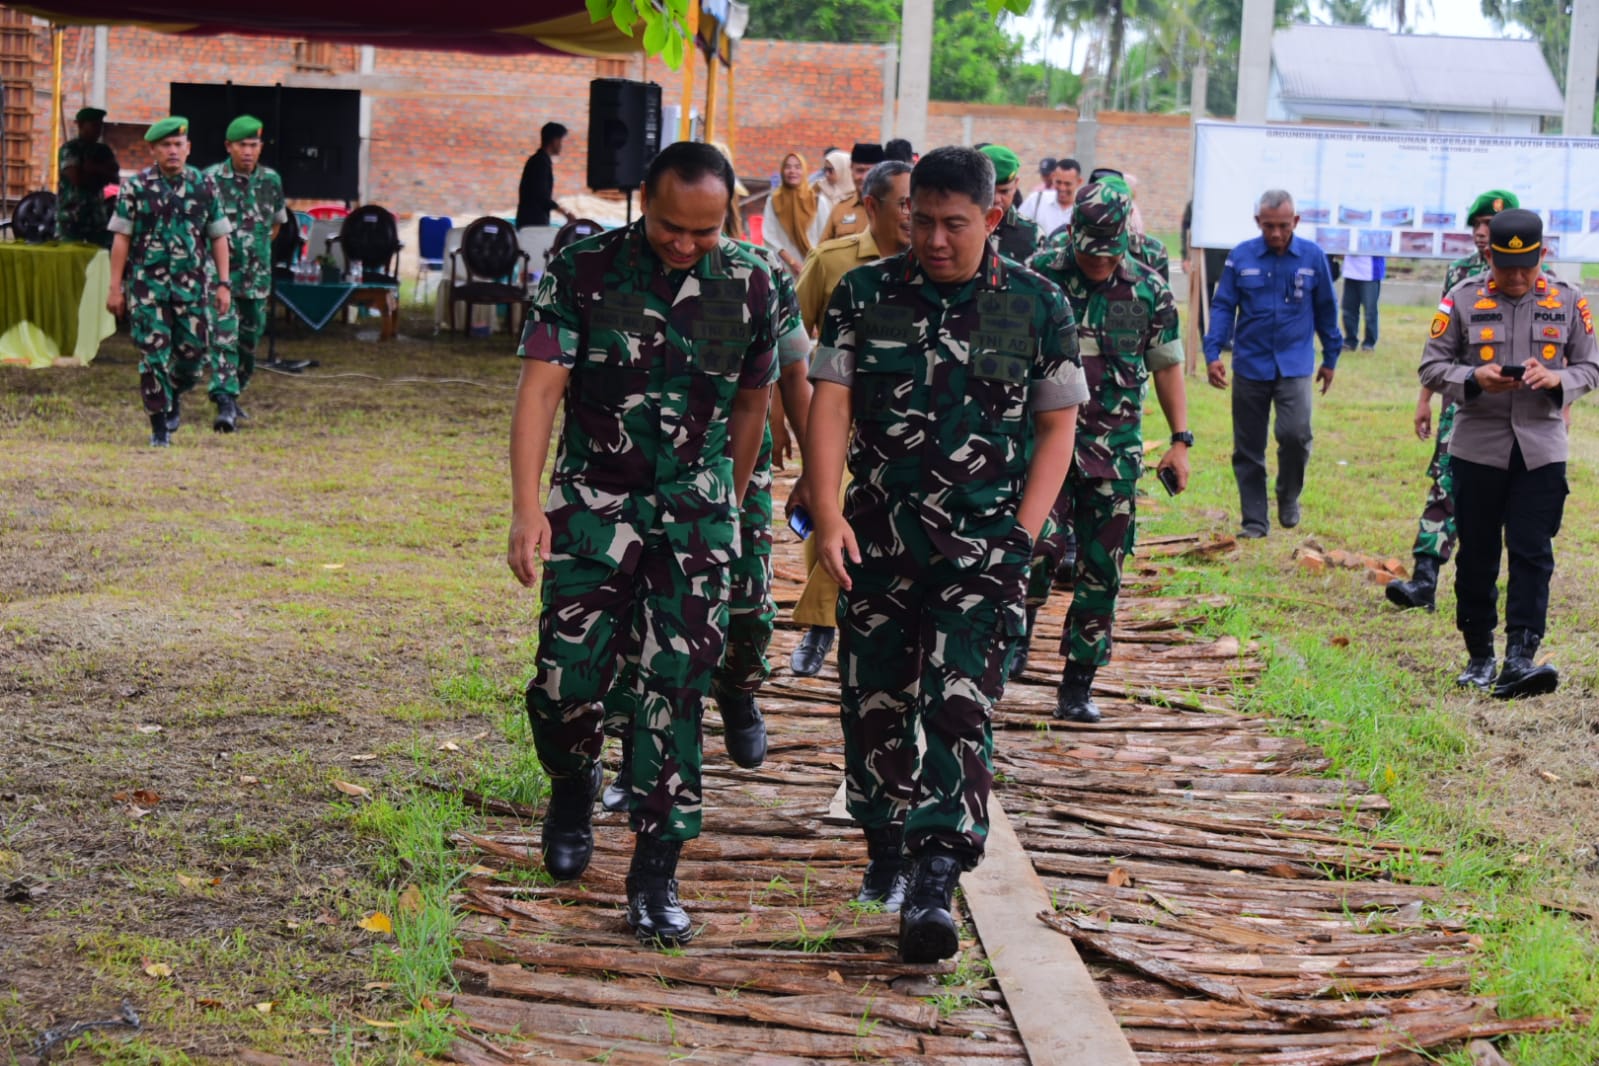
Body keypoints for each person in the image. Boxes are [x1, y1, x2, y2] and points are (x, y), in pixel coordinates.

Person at [806, 146, 1085, 960]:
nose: (932, 239)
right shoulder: (864, 293)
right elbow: (831, 403)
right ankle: (884, 844)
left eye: (953, 224)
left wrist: (1023, 534)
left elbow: (1056, 426)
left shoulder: (1037, 303)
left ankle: (935, 875)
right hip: (876, 538)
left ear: (991, 217)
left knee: (960, 708)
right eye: (919, 220)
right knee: (875, 705)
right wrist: (827, 513)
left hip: (982, 543)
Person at [597, 186, 816, 814]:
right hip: (643, 477)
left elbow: (795, 372)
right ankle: (636, 752)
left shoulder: (760, 273)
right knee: (643, 619)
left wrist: (812, 469)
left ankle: (739, 687)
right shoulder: (617, 272)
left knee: (747, 607)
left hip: (732, 470)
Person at [1020, 182, 1190, 716]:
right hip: (1041, 446)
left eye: (1109, 251)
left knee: (1102, 569)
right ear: (1072, 232)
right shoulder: (1038, 276)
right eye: (1090, 250)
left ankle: (1077, 684)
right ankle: (1016, 633)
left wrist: (1180, 440)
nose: (1099, 261)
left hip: (1112, 452)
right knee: (1033, 548)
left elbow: (1166, 367)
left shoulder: (1148, 290)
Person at [1418, 208, 1598, 698]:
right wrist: (1474, 378)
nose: (1516, 278)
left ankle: (1521, 656)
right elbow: (1431, 367)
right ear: (1489, 258)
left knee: (1532, 551)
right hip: (1479, 449)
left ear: (1543, 255)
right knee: (1477, 553)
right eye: (1505, 267)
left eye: (1526, 267)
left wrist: (1558, 379)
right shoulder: (1461, 299)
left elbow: (1591, 366)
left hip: (1541, 448)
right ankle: (1479, 654)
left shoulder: (1568, 299)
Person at [788, 159, 914, 677]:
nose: (913, 214)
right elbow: (789, 338)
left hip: (903, 423)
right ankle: (821, 624)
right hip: (839, 413)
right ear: (872, 206)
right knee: (830, 506)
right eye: (904, 203)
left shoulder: (934, 267)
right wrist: (783, 412)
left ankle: (834, 623)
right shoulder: (833, 261)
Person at [1387, 190, 1519, 612]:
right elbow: (1440, 344)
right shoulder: (1459, 274)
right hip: (1462, 396)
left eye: (1489, 226)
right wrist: (1425, 398)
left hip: (1517, 407)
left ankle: (1514, 591)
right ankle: (1424, 579)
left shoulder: (1536, 275)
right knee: (1445, 483)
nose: (1481, 233)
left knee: (1511, 499)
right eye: (1476, 225)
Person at [1203, 189, 1341, 539]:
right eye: (1268, 226)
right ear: (1258, 222)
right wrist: (1213, 352)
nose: (1276, 233)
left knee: (1296, 434)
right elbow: (1223, 306)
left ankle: (1288, 494)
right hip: (1251, 363)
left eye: (1283, 226)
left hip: (1295, 363)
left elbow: (1326, 308)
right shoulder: (1241, 257)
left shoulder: (1312, 257)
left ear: (1296, 221)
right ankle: (1254, 520)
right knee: (1248, 445)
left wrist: (1331, 357)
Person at [106, 116, 231, 448]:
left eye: (178, 144)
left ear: (188, 148)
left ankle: (173, 391)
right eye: (165, 145)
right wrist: (115, 287)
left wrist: (224, 283)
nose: (172, 151)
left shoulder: (204, 186)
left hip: (192, 288)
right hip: (147, 289)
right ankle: (159, 426)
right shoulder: (136, 188)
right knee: (153, 356)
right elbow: (121, 238)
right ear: (153, 150)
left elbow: (218, 236)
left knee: (194, 355)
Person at [203, 114, 286, 432]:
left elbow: (276, 225)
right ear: (229, 147)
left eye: (253, 145)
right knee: (223, 337)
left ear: (261, 147)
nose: (248, 151)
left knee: (249, 340)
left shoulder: (271, 181)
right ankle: (224, 400)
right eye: (242, 145)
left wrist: (254, 248)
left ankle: (235, 390)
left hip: (256, 277)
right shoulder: (211, 179)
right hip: (220, 277)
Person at [56, 106, 120, 248]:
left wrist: (92, 168)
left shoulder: (103, 150)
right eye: (94, 125)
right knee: (70, 256)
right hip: (72, 216)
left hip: (97, 216)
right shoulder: (71, 149)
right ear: (80, 125)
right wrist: (100, 174)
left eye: (100, 125)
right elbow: (76, 178)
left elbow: (114, 177)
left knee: (99, 257)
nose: (99, 129)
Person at [761, 152, 825, 275]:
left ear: (804, 171)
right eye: (788, 167)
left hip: (814, 268)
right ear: (782, 171)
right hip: (784, 269)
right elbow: (769, 236)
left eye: (797, 167)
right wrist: (792, 263)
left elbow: (825, 236)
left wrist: (813, 264)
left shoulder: (817, 201)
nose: (792, 171)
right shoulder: (774, 201)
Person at [979, 145, 1040, 263]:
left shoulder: (1033, 233)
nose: (996, 199)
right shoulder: (958, 227)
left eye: (1004, 191)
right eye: (989, 191)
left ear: (1016, 184)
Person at [819, 143, 884, 242]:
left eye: (871, 172)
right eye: (860, 171)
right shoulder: (840, 209)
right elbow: (822, 247)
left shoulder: (893, 209)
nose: (865, 177)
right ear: (851, 169)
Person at [515, 121, 569, 229]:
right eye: (560, 140)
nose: (561, 145)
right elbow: (541, 196)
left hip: (531, 222)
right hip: (533, 224)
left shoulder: (539, 160)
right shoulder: (540, 162)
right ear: (554, 141)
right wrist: (565, 212)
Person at [1021, 157, 1080, 236]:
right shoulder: (1036, 200)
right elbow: (1019, 228)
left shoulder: (1083, 208)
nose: (1062, 188)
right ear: (1053, 178)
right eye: (1058, 182)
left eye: (1067, 184)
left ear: (1079, 182)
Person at [1341, 254, 1384, 352]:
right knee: (1348, 310)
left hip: (1370, 273)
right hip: (1351, 271)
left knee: (1370, 311)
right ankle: (1350, 341)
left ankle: (1369, 343)